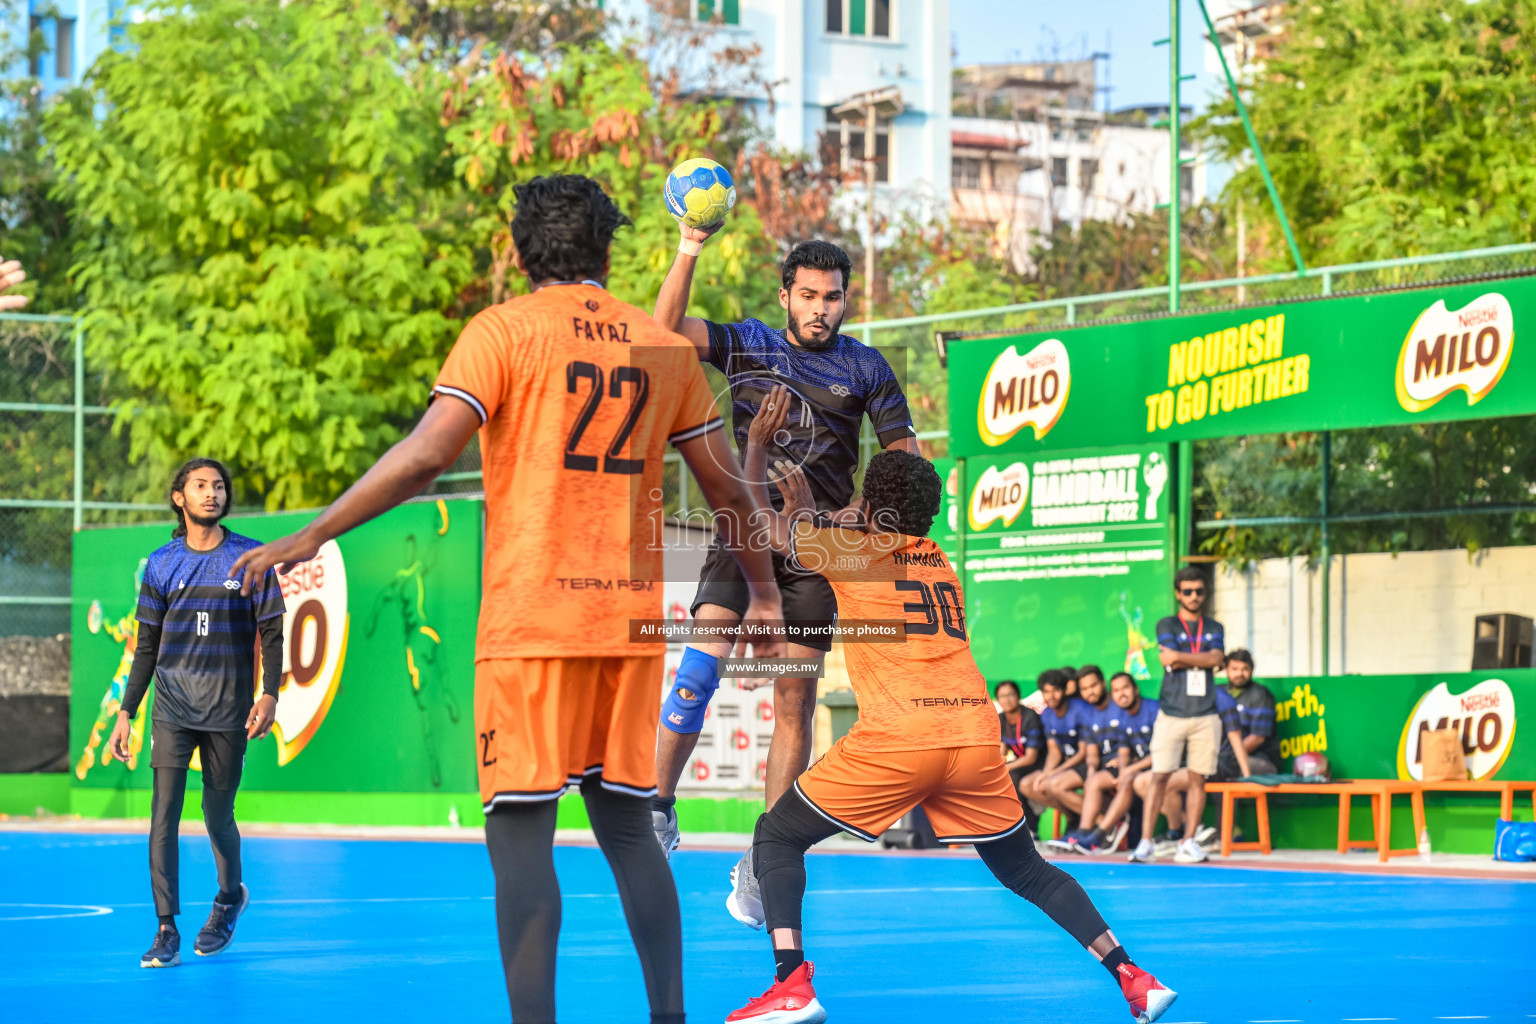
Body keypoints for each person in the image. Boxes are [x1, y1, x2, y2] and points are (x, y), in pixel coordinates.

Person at [230, 175, 786, 1024]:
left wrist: (312, 534)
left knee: (523, 840)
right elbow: (726, 493)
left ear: (523, 252)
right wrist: (764, 596)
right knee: (633, 834)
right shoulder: (658, 345)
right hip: (627, 630)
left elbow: (424, 458)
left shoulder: (501, 332)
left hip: (531, 626)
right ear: (606, 250)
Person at [723, 385, 1177, 1024]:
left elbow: (755, 524)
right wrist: (823, 521)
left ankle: (790, 985)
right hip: (972, 731)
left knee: (776, 836)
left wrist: (756, 450)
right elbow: (866, 534)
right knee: (1026, 870)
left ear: (870, 505)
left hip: (902, 736)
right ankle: (1133, 975)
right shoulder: (939, 562)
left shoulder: (849, 552)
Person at [649, 219, 920, 907]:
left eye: (832, 297)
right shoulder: (751, 342)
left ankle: (762, 858)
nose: (820, 308)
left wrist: (846, 520)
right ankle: (656, 807)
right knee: (695, 671)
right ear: (786, 296)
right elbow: (663, 327)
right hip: (742, 530)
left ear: (846, 300)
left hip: (816, 551)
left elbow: (906, 465)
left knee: (793, 699)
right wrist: (690, 245)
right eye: (808, 296)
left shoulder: (867, 368)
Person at [107, 459, 285, 968]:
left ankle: (229, 898)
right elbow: (146, 647)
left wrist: (269, 693)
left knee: (216, 813)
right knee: (163, 813)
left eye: (219, 486)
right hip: (172, 707)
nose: (212, 493)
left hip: (229, 710)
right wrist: (126, 712)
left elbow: (271, 631)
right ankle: (166, 929)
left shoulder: (250, 558)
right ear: (179, 498)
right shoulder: (161, 564)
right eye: (201, 486)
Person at [1128, 568, 1227, 865]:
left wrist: (1183, 658)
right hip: (1171, 712)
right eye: (1187, 591)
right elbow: (1168, 657)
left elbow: (1216, 658)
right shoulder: (1167, 623)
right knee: (1159, 776)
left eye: (1199, 591)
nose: (1194, 596)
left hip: (1206, 714)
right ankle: (1145, 843)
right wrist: (1204, 659)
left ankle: (1188, 842)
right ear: (1177, 593)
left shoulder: (1215, 626)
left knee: (1199, 778)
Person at [364, 506, 461, 789]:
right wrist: (371, 621)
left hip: (419, 636)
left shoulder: (411, 574)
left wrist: (438, 525)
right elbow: (380, 600)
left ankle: (445, 695)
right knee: (431, 687)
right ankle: (445, 695)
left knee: (425, 699)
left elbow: (432, 548)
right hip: (423, 634)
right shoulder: (402, 579)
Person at [1072, 673, 1159, 854]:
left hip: (1163, 767)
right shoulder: (1124, 715)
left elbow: (1163, 754)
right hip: (1142, 769)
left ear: (1135, 689)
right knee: (1096, 781)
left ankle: (1100, 835)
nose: (1122, 694)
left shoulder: (1153, 709)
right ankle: (1085, 833)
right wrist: (1123, 771)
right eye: (1117, 690)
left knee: (1130, 780)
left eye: (1125, 688)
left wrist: (1128, 770)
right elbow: (1124, 751)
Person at [1050, 666, 1112, 850]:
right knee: (1052, 784)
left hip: (1120, 765)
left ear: (1103, 683)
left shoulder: (1118, 706)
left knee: (1090, 782)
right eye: (1084, 689)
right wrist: (1091, 769)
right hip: (1099, 767)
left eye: (1093, 686)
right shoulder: (1088, 712)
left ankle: (1091, 831)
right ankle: (1091, 829)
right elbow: (1091, 750)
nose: (1089, 692)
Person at [1020, 671, 1087, 836]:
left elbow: (1083, 754)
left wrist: (1053, 774)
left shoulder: (1080, 709)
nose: (1051, 696)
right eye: (1046, 691)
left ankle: (1097, 823)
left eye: (1055, 690)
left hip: (1087, 763)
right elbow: (1054, 751)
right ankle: (1072, 818)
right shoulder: (1047, 714)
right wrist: (1046, 773)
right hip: (1068, 766)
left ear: (1065, 689)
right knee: (1028, 785)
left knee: (1052, 784)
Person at [1215, 650, 1279, 779]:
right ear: (1226, 670)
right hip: (1223, 756)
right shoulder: (1218, 691)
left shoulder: (1260, 695)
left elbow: (1257, 738)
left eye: (1245, 669)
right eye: (1235, 669)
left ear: (1251, 670)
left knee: (1221, 767)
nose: (1240, 673)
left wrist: (1227, 756)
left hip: (1259, 759)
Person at [995, 679, 1044, 833]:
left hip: (1039, 764)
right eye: (1002, 696)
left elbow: (1031, 757)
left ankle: (1031, 828)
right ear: (997, 700)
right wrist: (994, 768)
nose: (1007, 699)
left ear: (1018, 696)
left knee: (1012, 778)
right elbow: (1002, 748)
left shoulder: (1030, 717)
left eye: (1010, 694)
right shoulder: (1001, 719)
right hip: (1020, 765)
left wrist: (1005, 768)